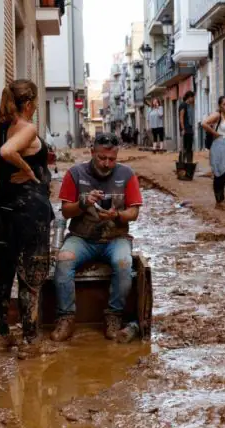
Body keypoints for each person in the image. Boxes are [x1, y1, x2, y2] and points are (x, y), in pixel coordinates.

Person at [0, 79, 54, 359]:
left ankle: (1, 337)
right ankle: (29, 341)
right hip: (28, 212)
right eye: (35, 103)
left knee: (4, 273)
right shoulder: (27, 128)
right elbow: (7, 151)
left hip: (2, 208)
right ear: (28, 104)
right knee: (30, 275)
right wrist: (28, 169)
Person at [50, 133, 143, 342]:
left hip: (115, 238)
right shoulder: (75, 173)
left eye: (112, 159)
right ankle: (66, 317)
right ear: (92, 152)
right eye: (102, 158)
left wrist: (117, 215)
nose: (107, 163)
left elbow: (134, 213)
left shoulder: (127, 174)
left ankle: (113, 316)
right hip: (82, 238)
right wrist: (83, 203)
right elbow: (65, 212)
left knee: (124, 263)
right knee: (63, 260)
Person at [202, 96, 225, 211]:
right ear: (220, 106)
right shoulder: (218, 115)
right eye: (224, 104)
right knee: (220, 173)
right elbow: (204, 123)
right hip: (219, 145)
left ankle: (222, 199)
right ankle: (219, 202)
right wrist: (215, 133)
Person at [178, 91, 195, 163]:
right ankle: (181, 163)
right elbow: (181, 118)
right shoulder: (183, 105)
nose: (193, 99)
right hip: (185, 129)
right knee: (184, 147)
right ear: (189, 97)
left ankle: (189, 163)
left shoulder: (190, 105)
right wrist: (182, 129)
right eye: (192, 97)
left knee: (189, 148)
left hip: (190, 129)